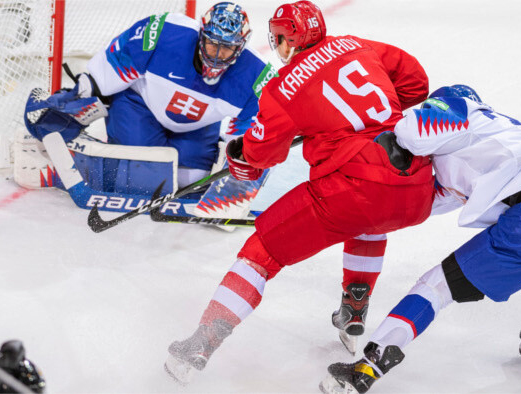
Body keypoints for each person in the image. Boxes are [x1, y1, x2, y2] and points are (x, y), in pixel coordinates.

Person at [164, 0, 434, 383]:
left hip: (352, 186)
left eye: (277, 38)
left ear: (288, 40)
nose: (276, 45)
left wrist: (241, 154)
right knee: (371, 217)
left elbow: (260, 156)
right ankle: (354, 309)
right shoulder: (357, 45)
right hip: (417, 182)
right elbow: (415, 82)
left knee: (263, 250)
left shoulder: (282, 87)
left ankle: (200, 345)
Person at [320, 85, 521, 394]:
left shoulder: (456, 112)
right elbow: (433, 200)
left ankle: (366, 368)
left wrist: (379, 135)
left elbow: (409, 131)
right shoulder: (495, 137)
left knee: (434, 287)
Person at [19, 2, 275, 196]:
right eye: (212, 44)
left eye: (227, 47)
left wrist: (240, 157)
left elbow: (252, 129)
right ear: (201, 35)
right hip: (141, 106)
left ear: (240, 47)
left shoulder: (255, 75)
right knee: (137, 178)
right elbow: (118, 60)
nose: (217, 55)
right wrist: (86, 91)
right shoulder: (166, 32)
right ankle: (62, 166)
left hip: (197, 125)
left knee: (193, 181)